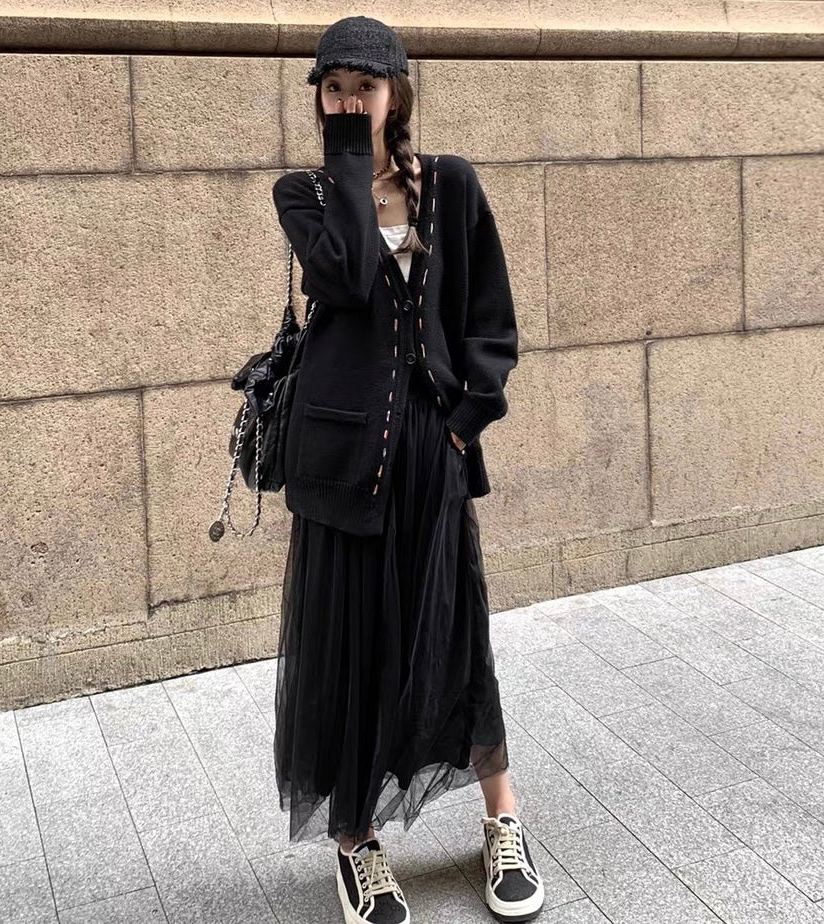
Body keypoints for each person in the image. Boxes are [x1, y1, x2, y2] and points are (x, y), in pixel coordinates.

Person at [270, 15, 545, 924]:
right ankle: (356, 843)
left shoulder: (452, 185)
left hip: (432, 456)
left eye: (367, 87)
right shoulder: (305, 194)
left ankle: (503, 818)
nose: (350, 101)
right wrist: (352, 163)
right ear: (319, 99)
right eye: (335, 88)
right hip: (339, 462)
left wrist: (465, 424)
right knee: (349, 652)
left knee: (454, 637)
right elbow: (346, 281)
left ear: (399, 93)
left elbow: (489, 315)